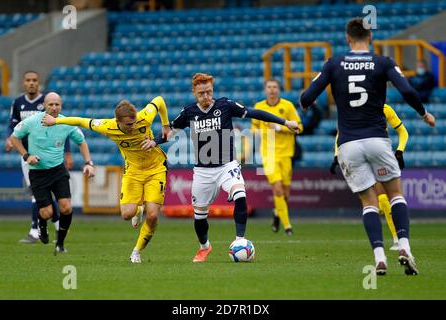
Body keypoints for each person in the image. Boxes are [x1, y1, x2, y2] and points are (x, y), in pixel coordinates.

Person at [299, 18, 435, 276]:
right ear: (370, 37)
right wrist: (424, 114)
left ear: (348, 38)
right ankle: (404, 246)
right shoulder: (382, 62)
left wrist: (306, 105)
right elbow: (407, 90)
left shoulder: (334, 63)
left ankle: (380, 257)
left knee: (369, 203)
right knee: (395, 195)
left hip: (348, 143)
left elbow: (306, 97)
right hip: (377, 139)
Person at [154, 73, 299, 263]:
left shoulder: (225, 105)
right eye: (201, 94)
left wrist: (285, 122)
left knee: (240, 195)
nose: (206, 97)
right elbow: (168, 133)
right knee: (199, 216)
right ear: (194, 92)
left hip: (227, 166)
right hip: (203, 172)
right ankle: (204, 247)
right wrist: (153, 142)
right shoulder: (188, 112)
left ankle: (240, 240)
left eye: (208, 92)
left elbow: (255, 113)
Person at [42, 96, 171, 263]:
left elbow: (159, 101)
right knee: (126, 214)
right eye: (128, 125)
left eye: (134, 123)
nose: (133, 127)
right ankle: (138, 211)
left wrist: (165, 124)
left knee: (153, 216)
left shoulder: (144, 117)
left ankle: (136, 251)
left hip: (156, 169)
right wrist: (56, 121)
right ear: (118, 122)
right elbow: (81, 121)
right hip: (133, 172)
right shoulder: (108, 126)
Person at [10, 92, 94, 254]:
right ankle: (42, 225)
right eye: (51, 104)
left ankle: (60, 244)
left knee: (66, 208)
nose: (54, 108)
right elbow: (14, 138)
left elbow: (81, 141)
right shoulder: (32, 121)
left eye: (57, 104)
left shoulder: (66, 122)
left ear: (61, 105)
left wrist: (88, 163)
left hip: (58, 170)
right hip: (38, 173)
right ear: (44, 106)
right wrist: (27, 156)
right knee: (47, 212)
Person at [5, 70, 74, 244]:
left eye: (35, 80)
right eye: (28, 80)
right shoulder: (18, 102)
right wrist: (10, 140)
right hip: (28, 157)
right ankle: (42, 228)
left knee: (43, 195)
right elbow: (12, 126)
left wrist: (66, 152)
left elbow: (60, 129)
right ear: (23, 83)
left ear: (39, 83)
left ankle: (37, 229)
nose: (31, 83)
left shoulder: (48, 102)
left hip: (49, 155)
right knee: (39, 195)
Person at [330, 103, 409, 251]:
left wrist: (399, 151)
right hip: (360, 157)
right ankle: (395, 238)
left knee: (382, 195)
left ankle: (396, 239)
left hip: (379, 155)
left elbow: (403, 132)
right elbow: (340, 134)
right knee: (375, 200)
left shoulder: (385, 108)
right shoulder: (351, 109)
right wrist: (336, 155)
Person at [251, 79, 303, 236]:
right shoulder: (259, 107)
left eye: (275, 87)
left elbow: (299, 128)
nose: (272, 90)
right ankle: (288, 227)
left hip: (286, 154)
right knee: (278, 189)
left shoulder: (287, 106)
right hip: (268, 155)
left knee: (285, 193)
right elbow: (255, 126)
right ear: (265, 90)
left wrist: (280, 127)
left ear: (279, 90)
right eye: (269, 87)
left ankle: (276, 213)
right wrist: (254, 132)